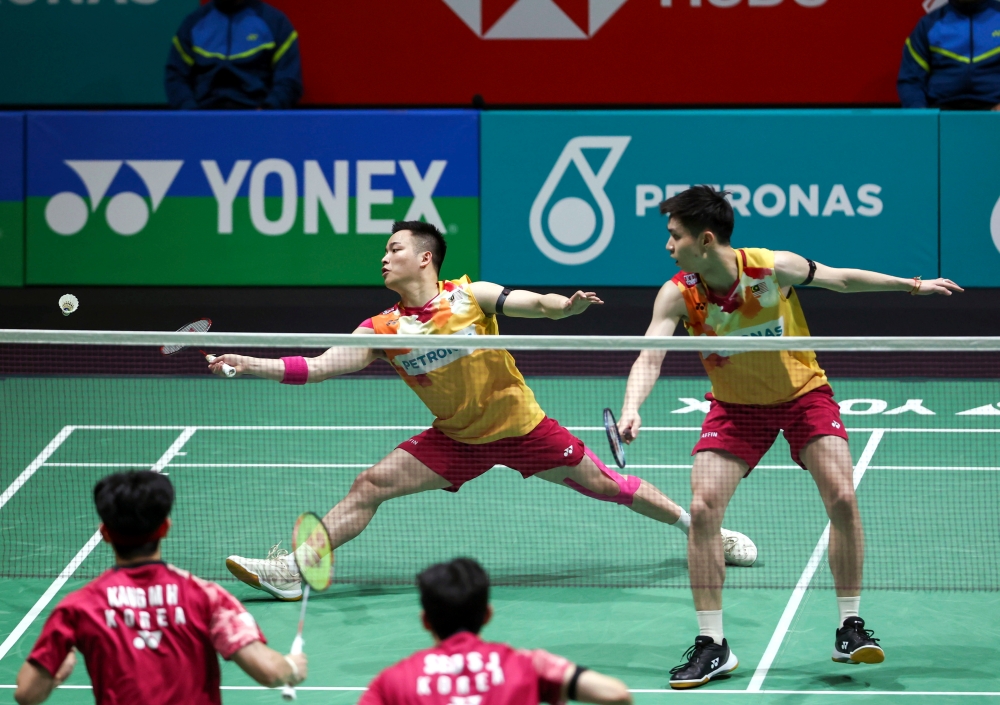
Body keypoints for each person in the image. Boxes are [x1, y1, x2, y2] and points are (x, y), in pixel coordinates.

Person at [214, 220, 757, 602]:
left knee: (611, 486)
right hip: (455, 439)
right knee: (369, 485)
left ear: (425, 257)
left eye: (395, 248)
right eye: (384, 251)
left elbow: (532, 303)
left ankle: (704, 530)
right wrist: (249, 364)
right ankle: (295, 571)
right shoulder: (381, 330)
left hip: (524, 429)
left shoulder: (469, 297)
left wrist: (564, 307)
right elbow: (320, 367)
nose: (384, 257)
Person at [617, 186, 962, 689]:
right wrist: (632, 406)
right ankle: (713, 645)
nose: (668, 246)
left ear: (705, 238)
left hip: (803, 396)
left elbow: (842, 280)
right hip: (735, 409)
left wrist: (912, 285)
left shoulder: (771, 268)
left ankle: (850, 627)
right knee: (705, 507)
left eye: (675, 236)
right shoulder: (678, 293)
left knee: (843, 495)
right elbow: (650, 355)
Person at [14, 471, 307, 705]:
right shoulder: (207, 597)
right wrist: (292, 667)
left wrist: (58, 673)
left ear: (104, 533)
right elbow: (268, 672)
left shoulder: (78, 607)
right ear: (166, 527)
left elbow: (26, 693)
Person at [359, 558, 632, 705]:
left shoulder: (393, 681)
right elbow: (616, 694)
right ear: (488, 614)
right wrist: (546, 668)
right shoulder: (525, 667)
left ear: (425, 620)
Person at [165, 0, 302, 110]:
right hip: (203, 116)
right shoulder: (193, 23)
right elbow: (176, 76)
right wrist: (191, 113)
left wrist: (266, 110)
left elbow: (289, 80)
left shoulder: (276, 22)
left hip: (257, 117)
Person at [898, 0, 1000, 110]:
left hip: (995, 111)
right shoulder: (928, 25)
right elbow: (911, 80)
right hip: (941, 113)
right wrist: (920, 113)